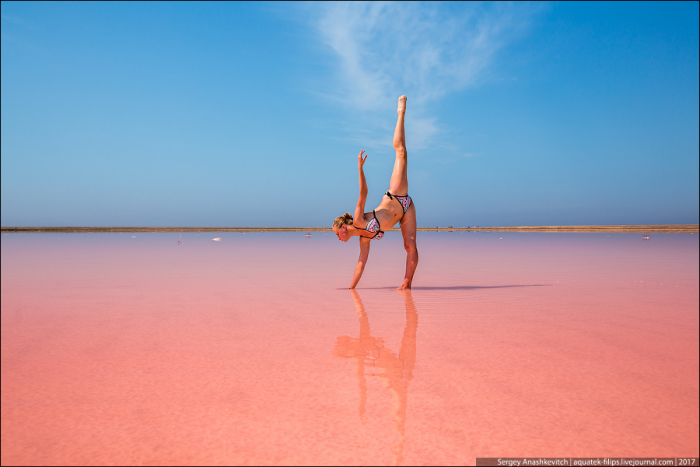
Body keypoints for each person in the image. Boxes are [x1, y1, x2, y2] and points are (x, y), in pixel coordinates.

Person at [332, 96, 418, 290]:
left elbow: (363, 191)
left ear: (344, 228)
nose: (339, 239)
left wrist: (360, 168)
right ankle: (407, 284)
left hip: (397, 196)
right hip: (407, 210)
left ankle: (400, 113)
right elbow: (361, 265)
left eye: (338, 234)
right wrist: (351, 290)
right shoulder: (364, 240)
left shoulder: (357, 220)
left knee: (401, 152)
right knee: (409, 246)